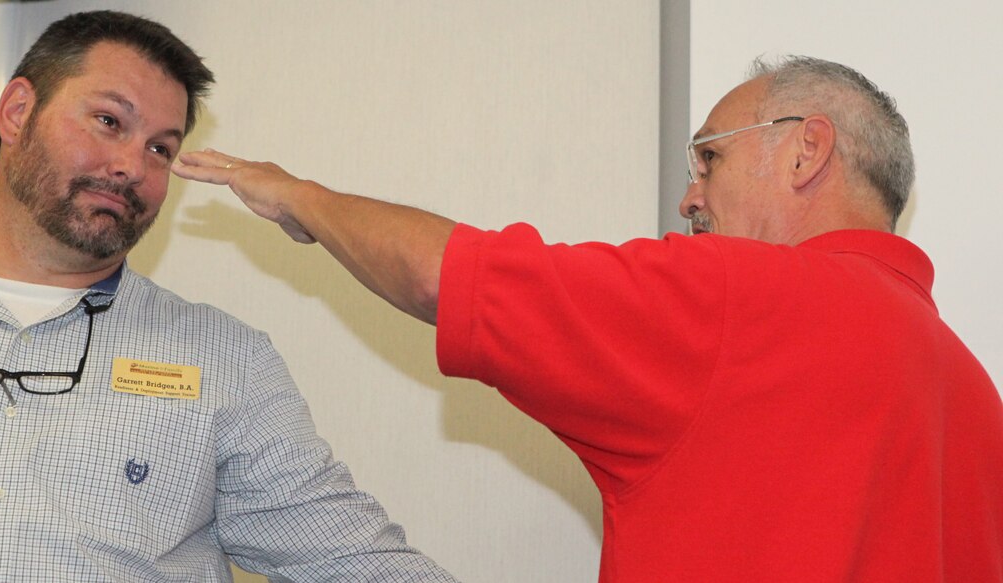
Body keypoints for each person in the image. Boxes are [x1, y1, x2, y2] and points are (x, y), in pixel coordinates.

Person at [174, 56, 1003, 582]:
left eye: (709, 156)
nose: (688, 195)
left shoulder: (738, 301)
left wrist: (301, 197)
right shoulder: (973, 393)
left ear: (805, 150)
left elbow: (450, 276)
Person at [0, 10, 456, 582]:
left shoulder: (225, 358)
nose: (131, 167)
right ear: (18, 112)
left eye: (160, 149)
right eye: (108, 121)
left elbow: (350, 560)